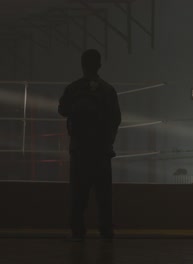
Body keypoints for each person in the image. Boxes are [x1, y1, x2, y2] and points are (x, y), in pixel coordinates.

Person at [58, 49, 121, 240]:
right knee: (104, 196)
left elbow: (63, 110)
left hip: (80, 149)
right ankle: (106, 231)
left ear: (82, 65)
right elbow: (116, 118)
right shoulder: (108, 89)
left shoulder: (74, 88)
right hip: (101, 151)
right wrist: (109, 141)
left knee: (79, 194)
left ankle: (77, 231)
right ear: (99, 65)